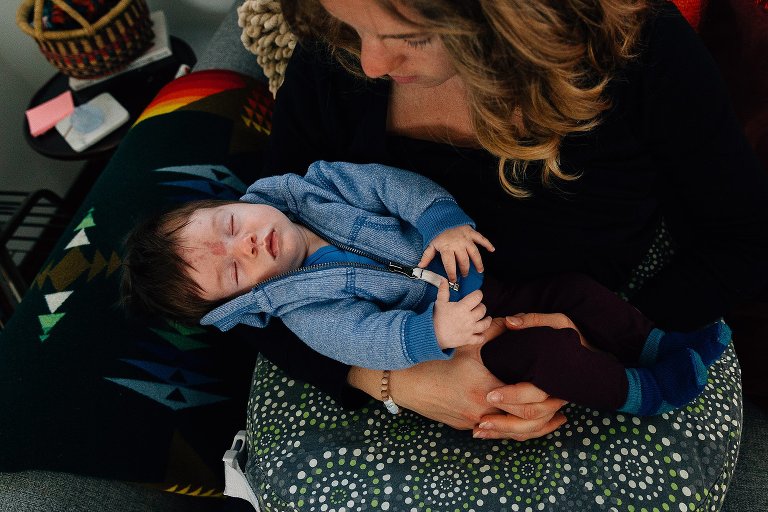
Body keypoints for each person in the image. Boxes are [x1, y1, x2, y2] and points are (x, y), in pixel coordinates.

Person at [242, 0, 768, 441]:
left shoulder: (642, 51)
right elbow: (241, 271)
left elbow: (745, 238)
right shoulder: (335, 54)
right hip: (369, 349)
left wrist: (598, 337)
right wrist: (392, 380)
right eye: (353, 27)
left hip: (587, 339)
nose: (372, 62)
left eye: (413, 36)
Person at [122, 160, 731, 416]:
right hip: (462, 334)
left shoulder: (311, 187)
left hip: (482, 277)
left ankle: (657, 343)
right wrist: (432, 333)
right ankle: (645, 392)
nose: (247, 245)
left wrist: (442, 221)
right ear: (242, 300)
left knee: (574, 289)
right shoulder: (303, 309)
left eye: (230, 227)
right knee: (545, 357)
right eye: (232, 272)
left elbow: (390, 185)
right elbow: (365, 338)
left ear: (233, 200)